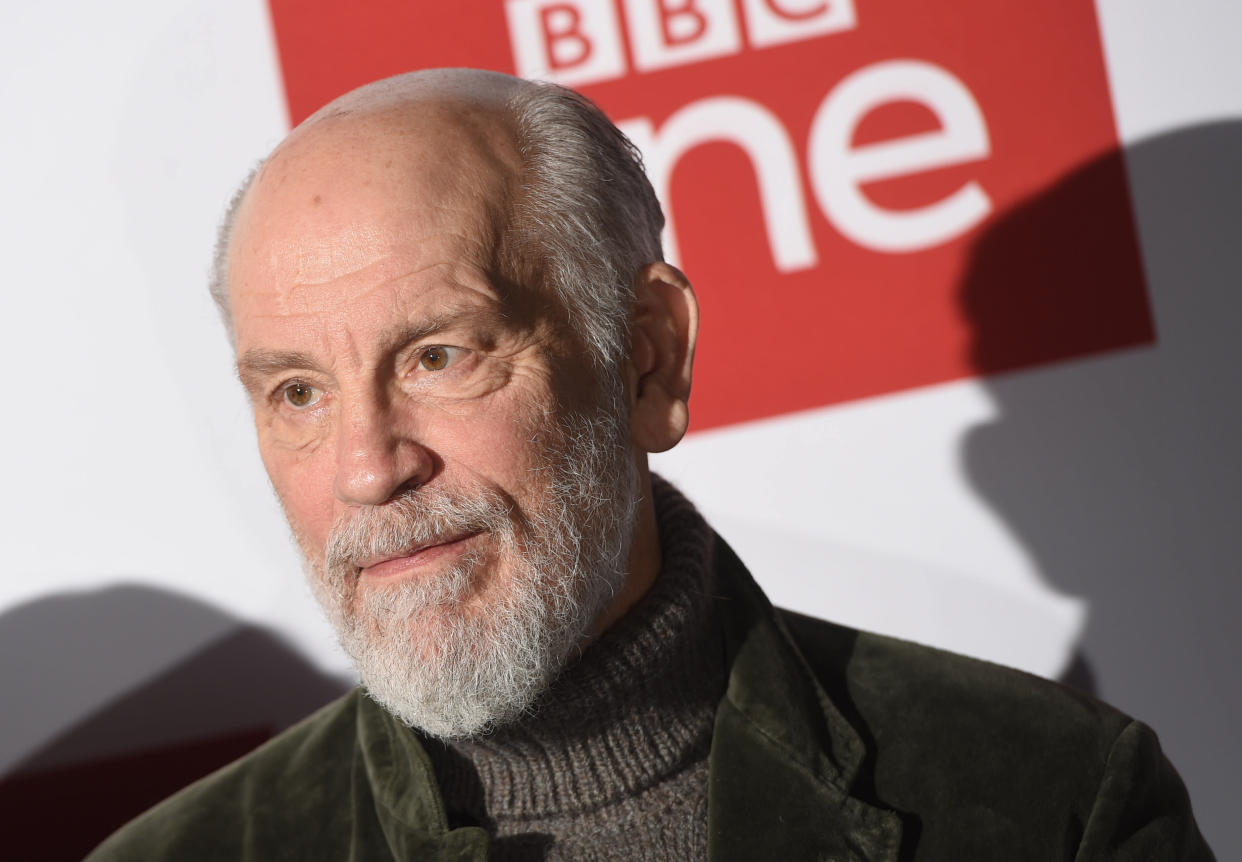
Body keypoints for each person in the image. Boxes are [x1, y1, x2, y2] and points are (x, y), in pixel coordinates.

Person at [87, 68, 1213, 861]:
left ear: (648, 358)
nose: (368, 469)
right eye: (297, 393)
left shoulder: (1047, 796)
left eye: (439, 355)